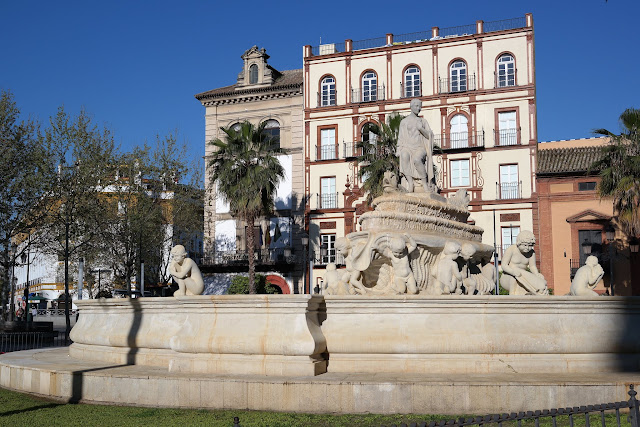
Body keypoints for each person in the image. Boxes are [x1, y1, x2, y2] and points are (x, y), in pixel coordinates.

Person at [397, 98, 435, 193]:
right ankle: (410, 183)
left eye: (420, 106)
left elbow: (429, 136)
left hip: (420, 147)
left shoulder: (423, 121)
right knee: (404, 155)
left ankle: (424, 184)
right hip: (407, 146)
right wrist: (399, 149)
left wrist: (421, 129)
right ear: (411, 107)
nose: (419, 108)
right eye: (417, 106)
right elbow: (400, 136)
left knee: (417, 159)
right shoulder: (404, 122)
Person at [500, 231, 548, 295]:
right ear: (519, 243)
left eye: (530, 246)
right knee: (513, 279)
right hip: (508, 276)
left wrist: (536, 274)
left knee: (541, 280)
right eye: (525, 245)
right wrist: (512, 272)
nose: (527, 248)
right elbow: (504, 265)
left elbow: (532, 266)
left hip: (523, 276)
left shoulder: (531, 253)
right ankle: (513, 298)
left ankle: (536, 292)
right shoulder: (511, 249)